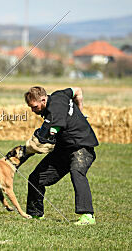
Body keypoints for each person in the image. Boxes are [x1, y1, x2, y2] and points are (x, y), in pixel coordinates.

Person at [21, 86, 99, 225]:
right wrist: (80, 110)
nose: (33, 111)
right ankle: (35, 215)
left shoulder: (54, 111)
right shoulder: (60, 94)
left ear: (43, 100)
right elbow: (78, 91)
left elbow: (51, 130)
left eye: (34, 106)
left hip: (82, 146)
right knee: (36, 178)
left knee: (77, 172)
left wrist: (28, 149)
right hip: (64, 149)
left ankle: (88, 215)